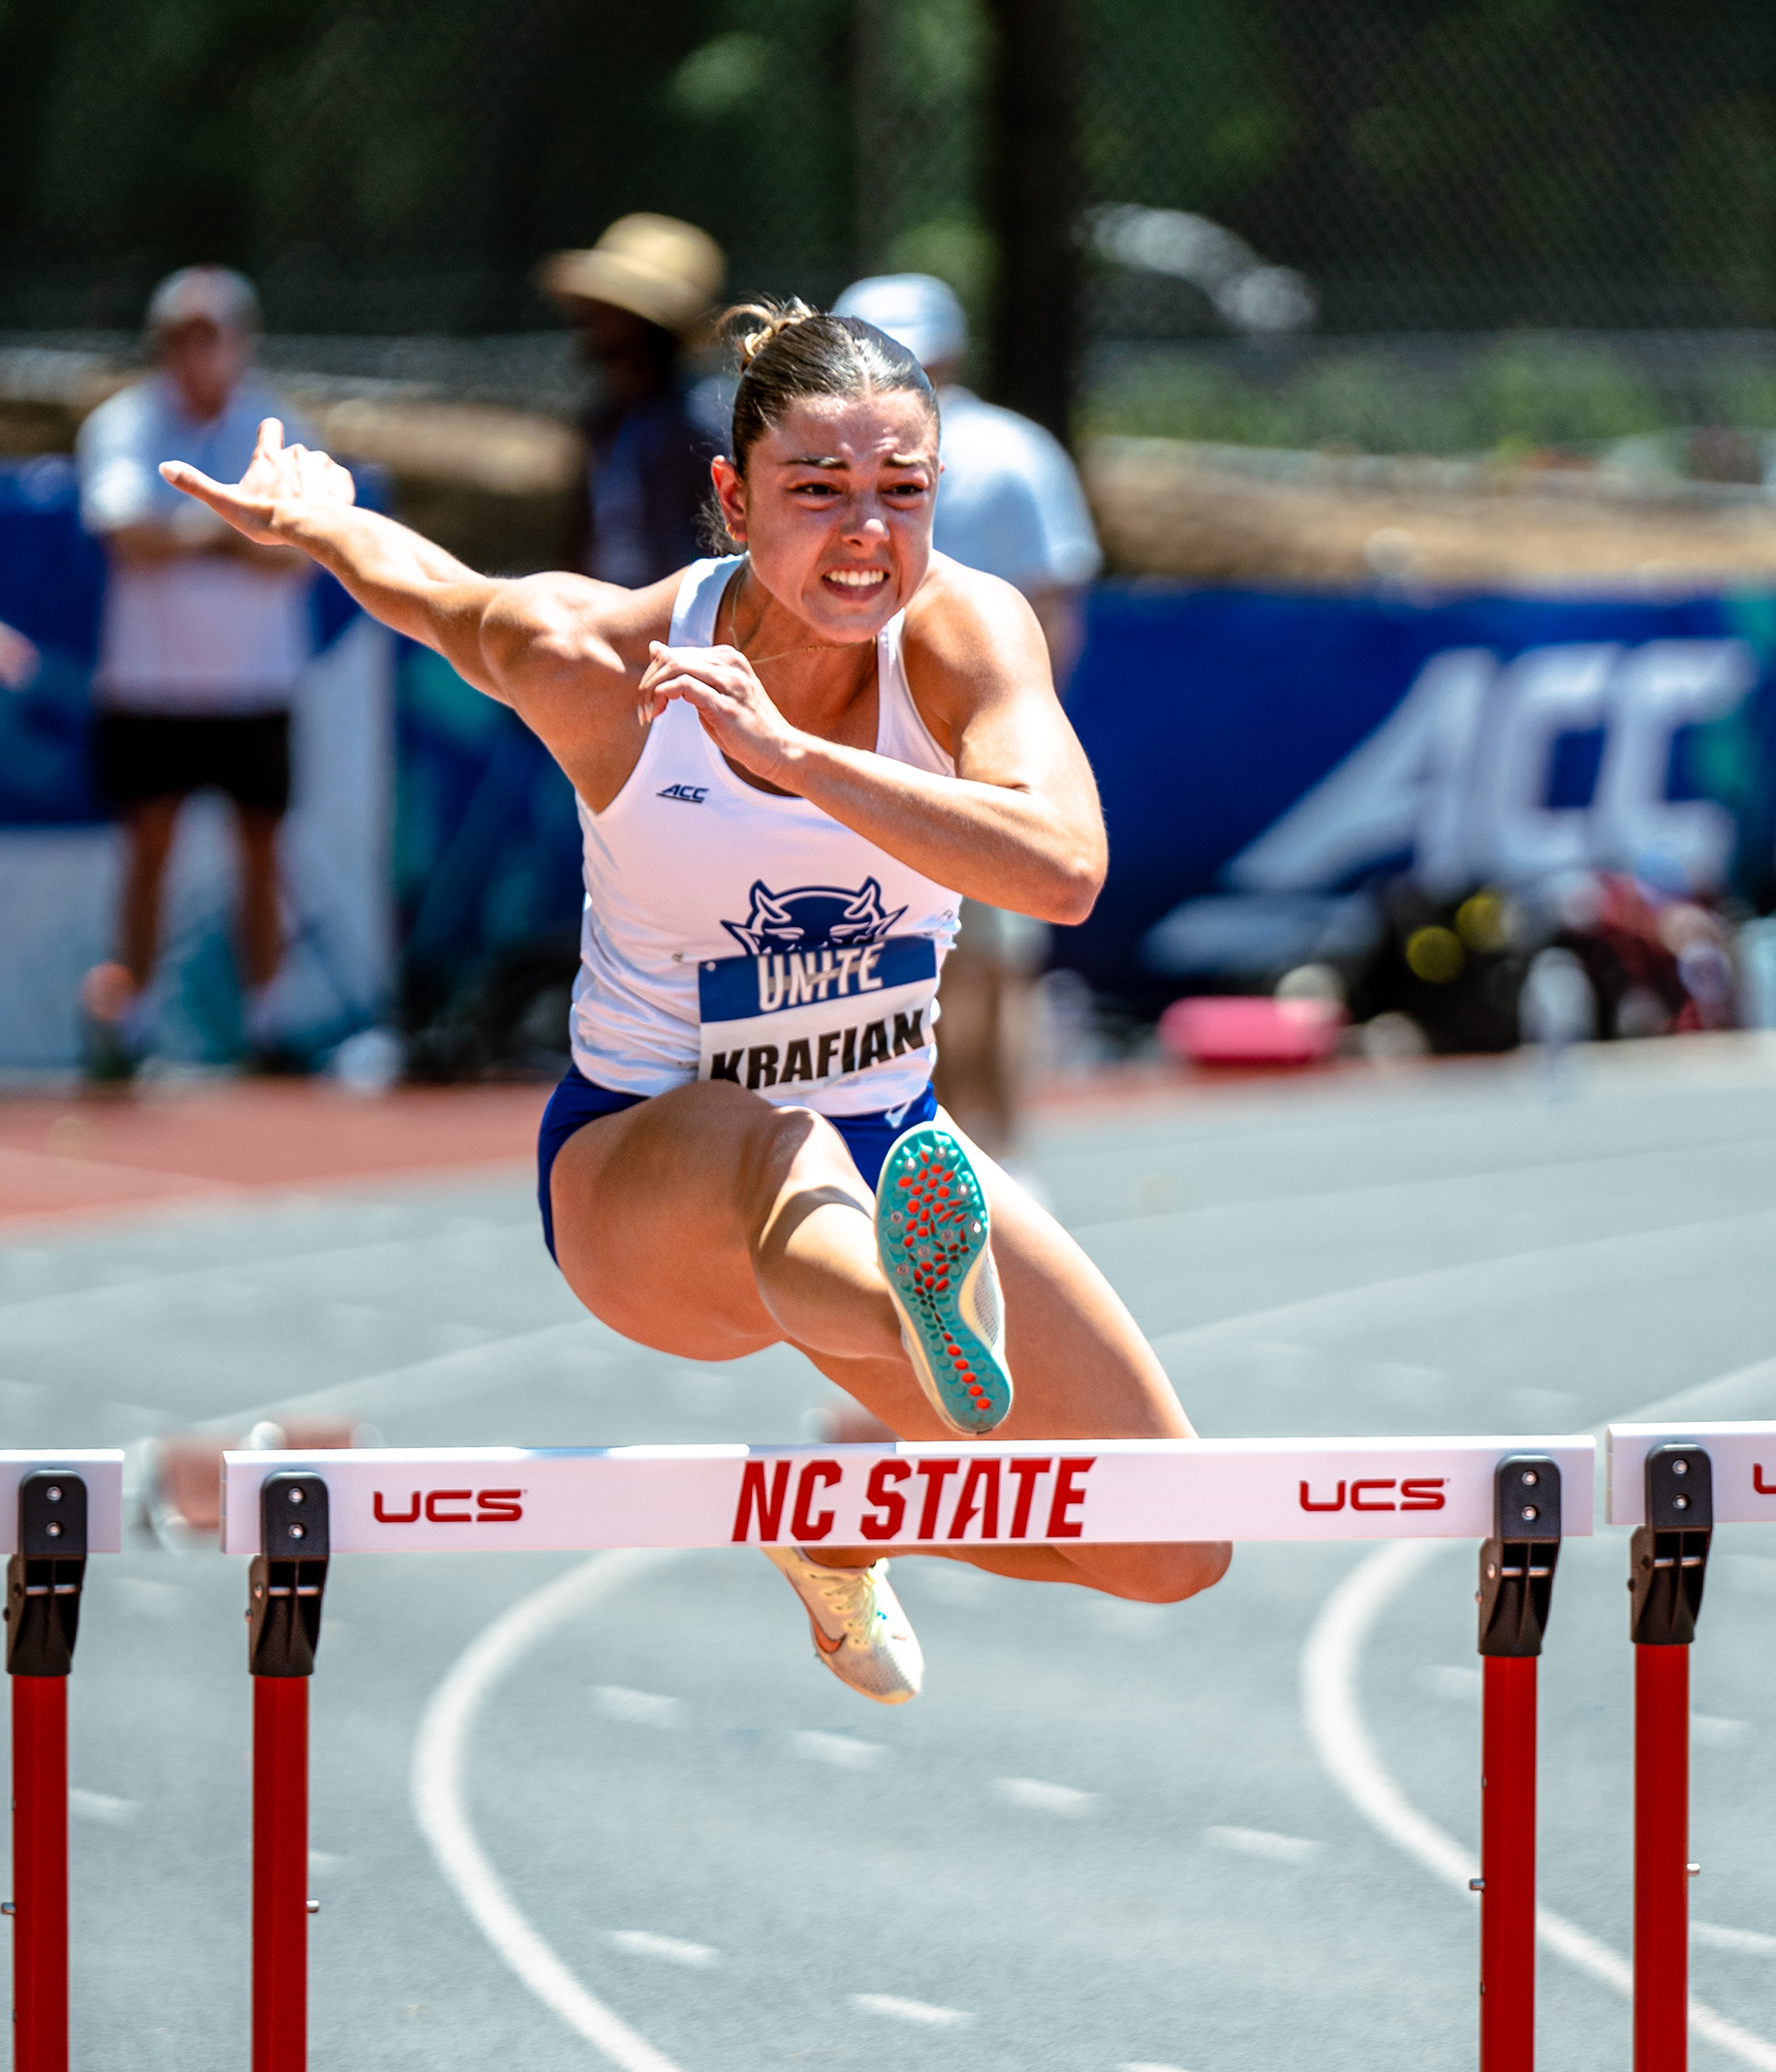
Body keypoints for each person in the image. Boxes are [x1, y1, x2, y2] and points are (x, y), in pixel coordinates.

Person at [158, 304, 1229, 1704]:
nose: (866, 536)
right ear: (731, 500)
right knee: (776, 1148)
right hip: (644, 1167)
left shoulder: (968, 633)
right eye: (818, 493)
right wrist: (320, 519)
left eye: (903, 492)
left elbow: (1067, 868)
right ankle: (917, 1309)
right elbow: (440, 596)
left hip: (887, 1143)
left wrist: (794, 757)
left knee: (1169, 1547)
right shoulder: (610, 670)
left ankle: (830, 1507)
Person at [832, 272, 1104, 1160]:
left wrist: (1017, 737)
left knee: (988, 964)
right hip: (868, 742)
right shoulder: (837, 448)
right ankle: (938, 1161)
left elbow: (1050, 603)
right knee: (916, 965)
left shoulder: (1010, 452)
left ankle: (995, 1164)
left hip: (960, 742)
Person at [76, 265, 315, 1075]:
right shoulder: (123, 423)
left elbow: (299, 555)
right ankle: (130, 1031)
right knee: (148, 850)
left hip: (256, 686)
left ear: (239, 343)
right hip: (149, 686)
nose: (194, 352)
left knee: (262, 850)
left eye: (209, 335)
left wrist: (182, 532)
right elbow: (124, 536)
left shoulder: (278, 423)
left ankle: (270, 1026)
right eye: (179, 337)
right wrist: (232, 533)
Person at [537, 213, 726, 590]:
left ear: (649, 328)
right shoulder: (606, 418)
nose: (591, 323)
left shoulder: (700, 419)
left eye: (611, 313)